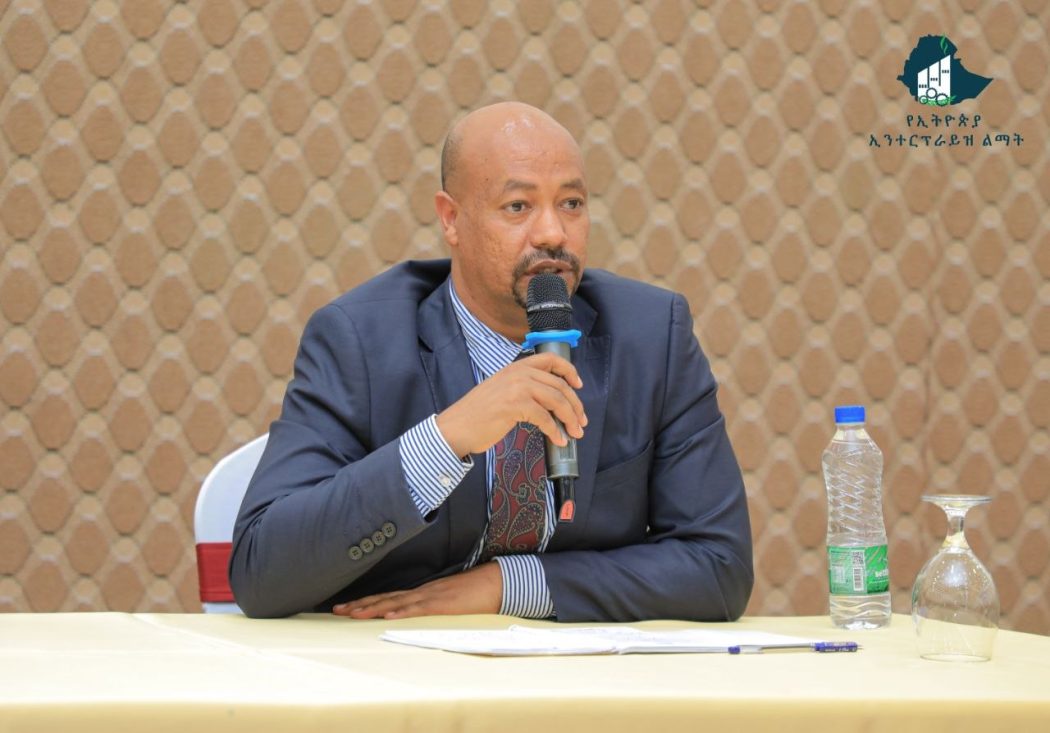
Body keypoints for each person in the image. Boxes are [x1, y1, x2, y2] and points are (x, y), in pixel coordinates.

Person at [229, 102, 753, 622]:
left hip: (577, 663)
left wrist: (508, 585)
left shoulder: (653, 337)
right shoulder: (359, 341)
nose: (553, 234)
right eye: (518, 207)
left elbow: (718, 565)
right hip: (393, 659)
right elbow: (261, 572)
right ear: (451, 219)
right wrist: (447, 438)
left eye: (571, 203)